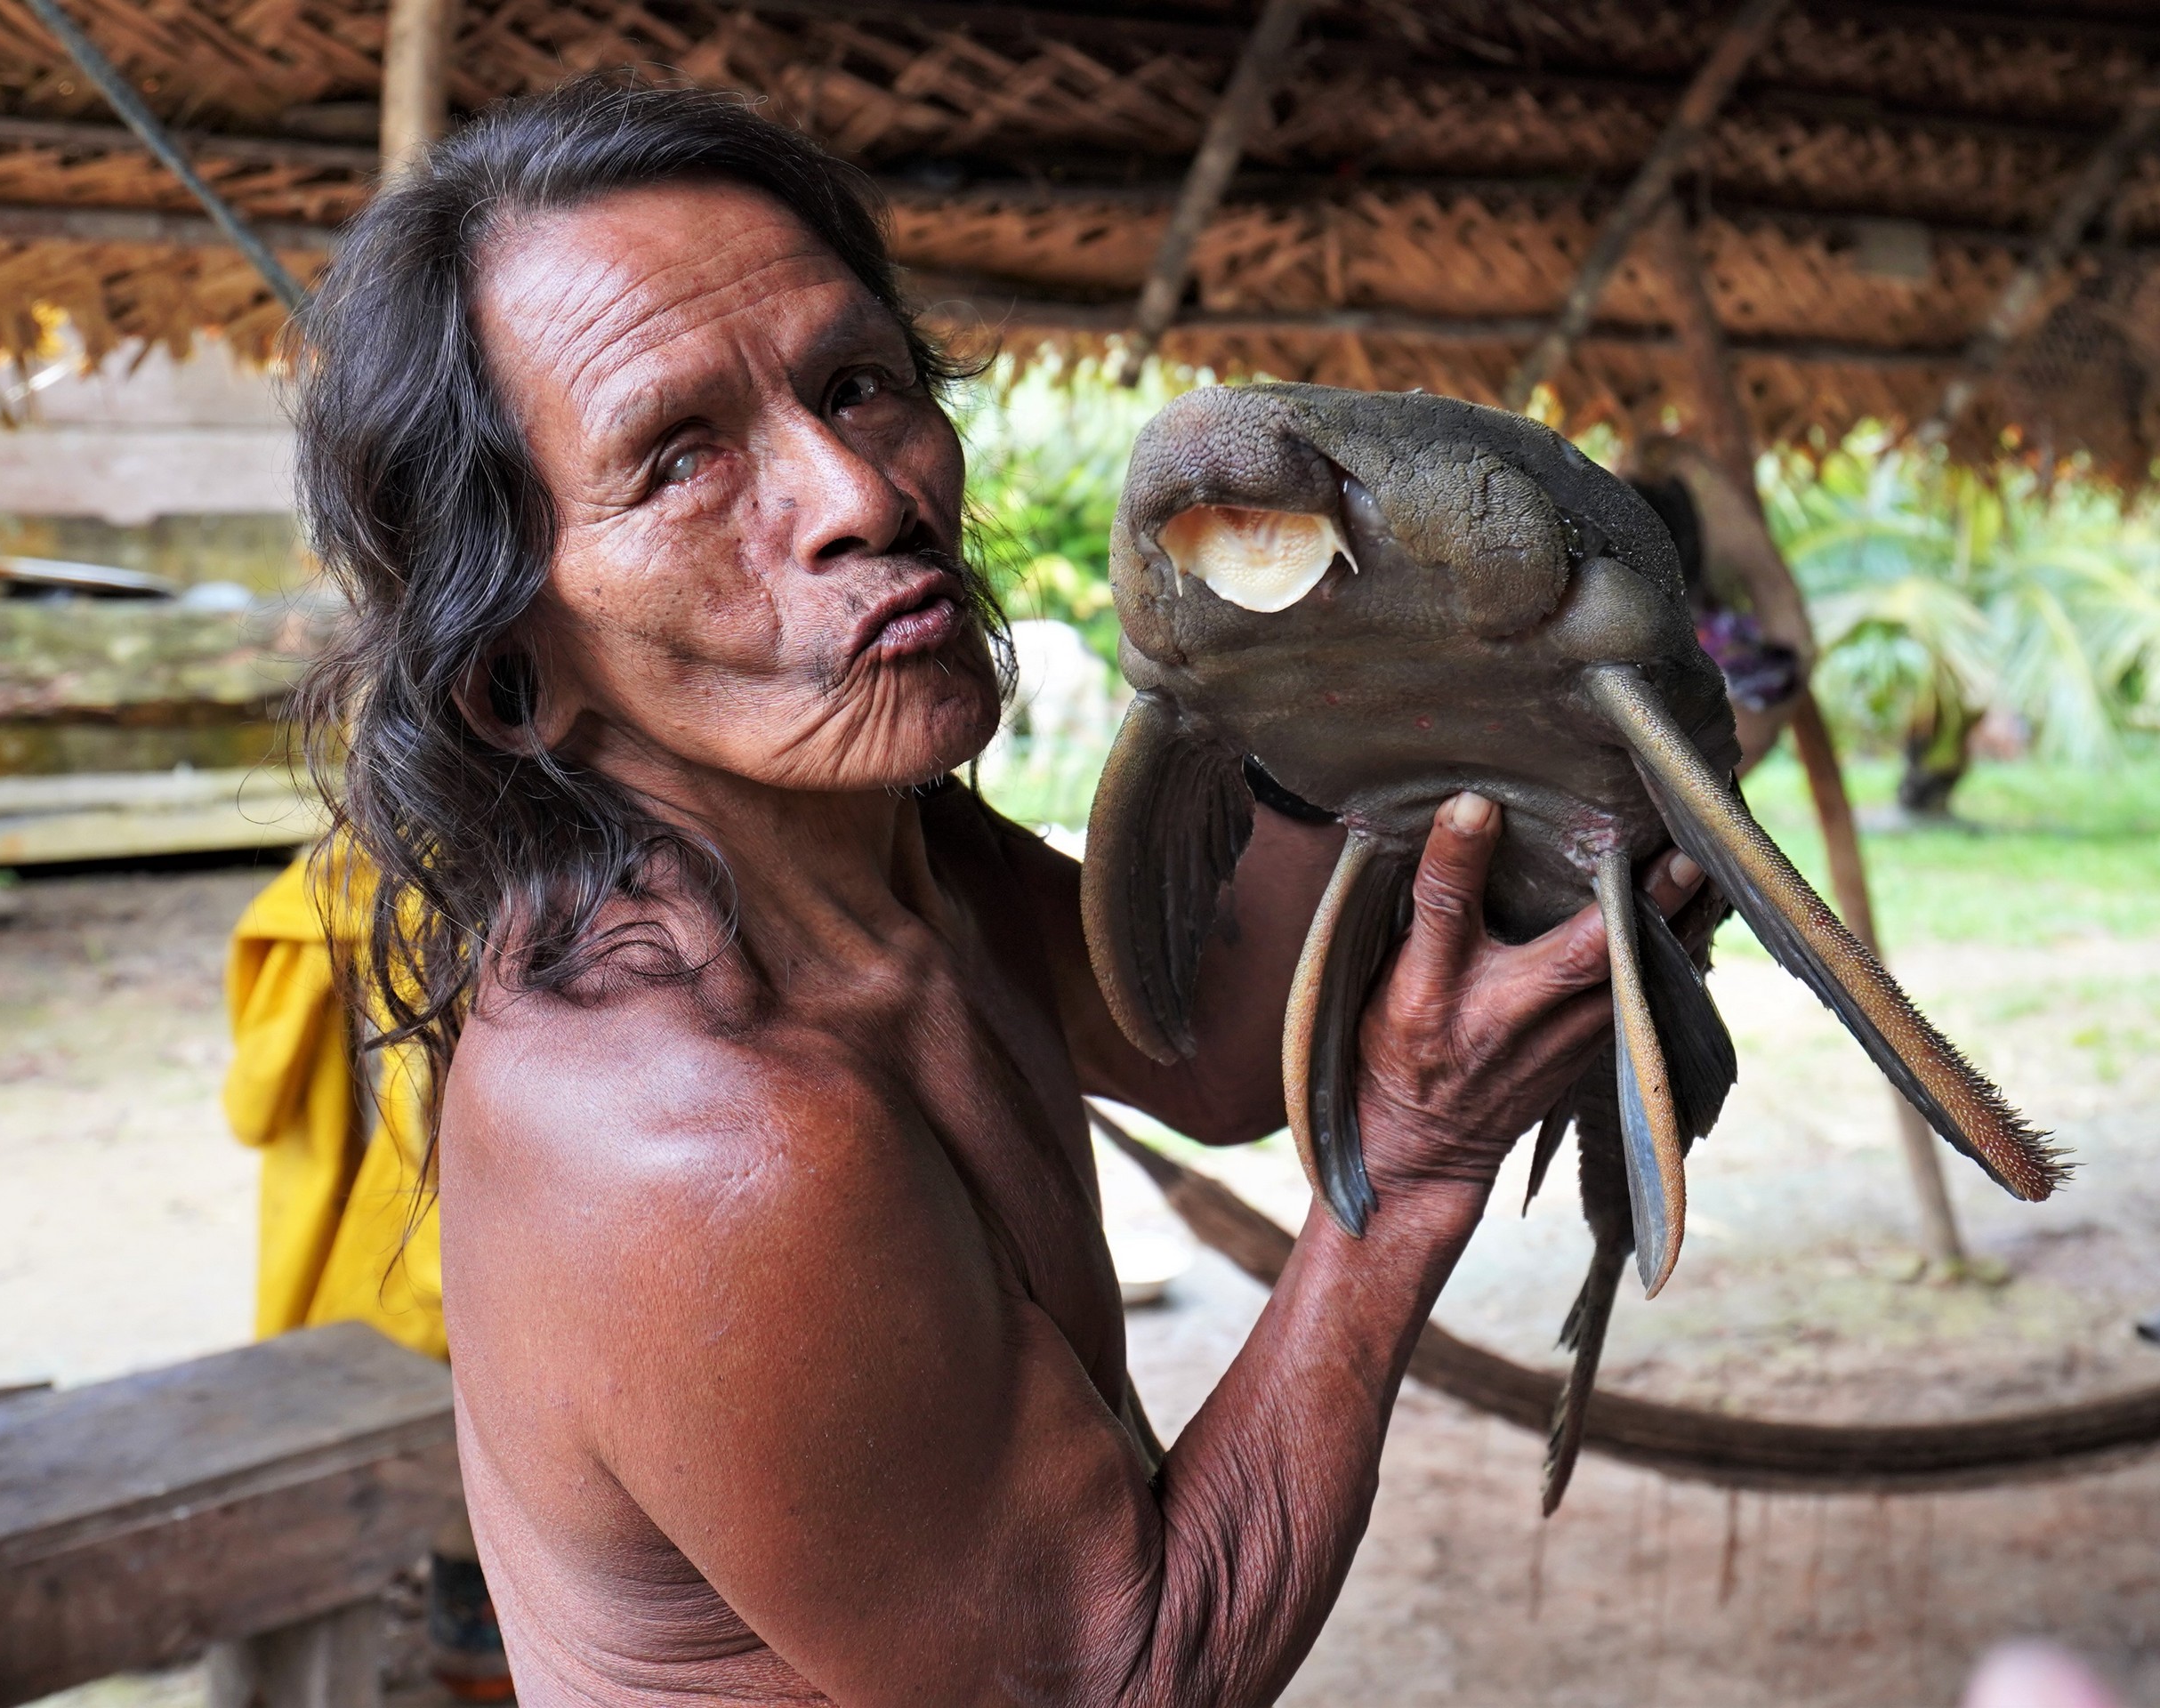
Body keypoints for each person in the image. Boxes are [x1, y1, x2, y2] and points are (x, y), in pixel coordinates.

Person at [291, 76, 1705, 1706]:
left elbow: (1217, 1049)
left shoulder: (888, 857)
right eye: (678, 461)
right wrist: (1416, 1172)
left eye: (860, 384)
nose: (864, 497)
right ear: (512, 671)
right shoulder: (698, 1134)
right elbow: (1128, 1675)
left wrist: (1381, 691)